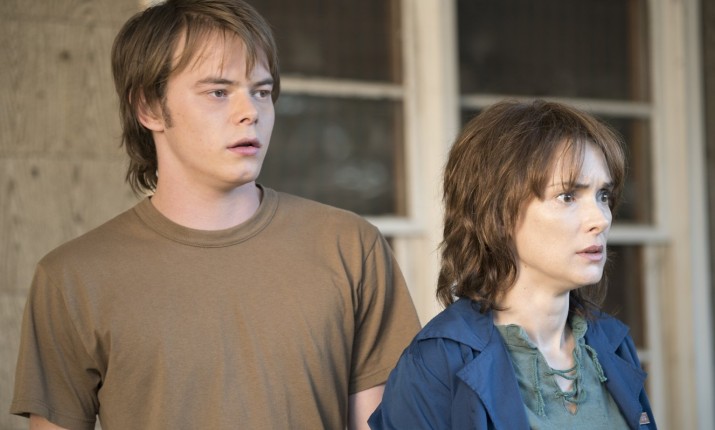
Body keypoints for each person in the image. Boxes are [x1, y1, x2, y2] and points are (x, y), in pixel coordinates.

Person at [10, 1, 420, 429]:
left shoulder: (350, 247)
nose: (251, 112)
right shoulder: (72, 278)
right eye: (218, 92)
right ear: (149, 107)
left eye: (261, 92)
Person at [368, 100, 657, 429]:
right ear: (497, 213)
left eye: (603, 195)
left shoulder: (612, 343)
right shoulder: (435, 363)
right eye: (567, 196)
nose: (601, 219)